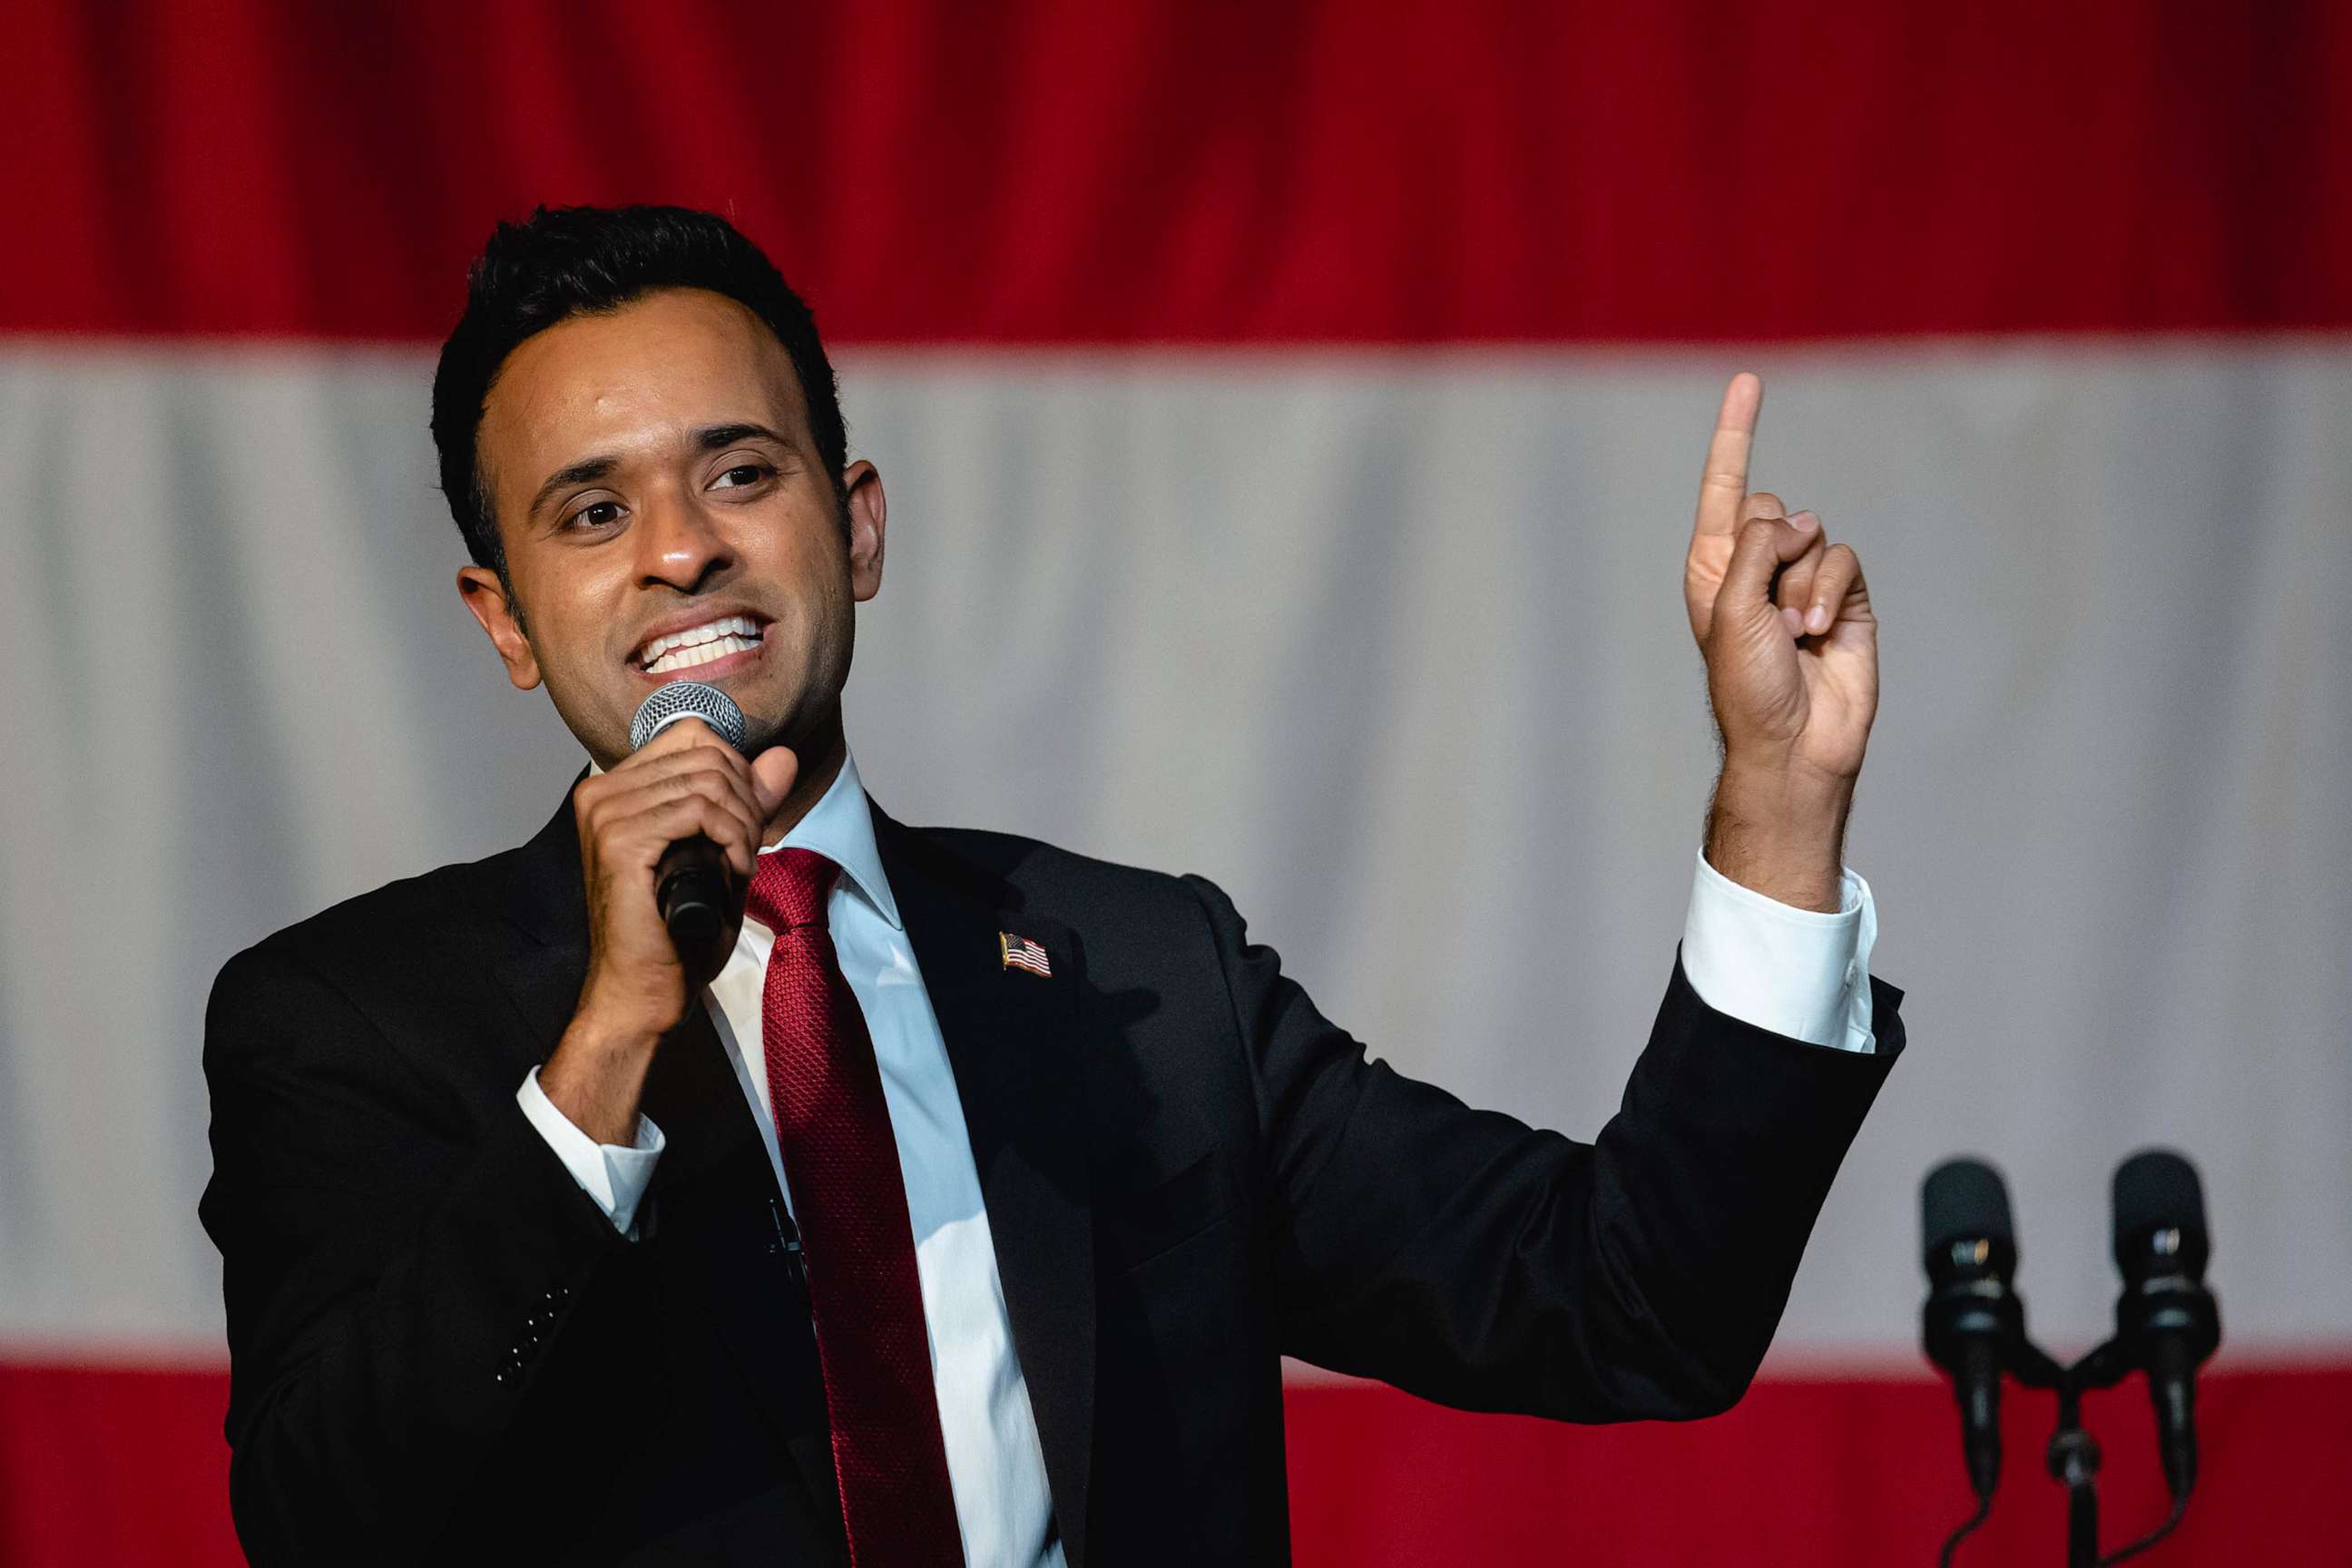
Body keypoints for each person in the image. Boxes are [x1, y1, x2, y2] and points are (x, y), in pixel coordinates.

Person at [200, 204, 1904, 1567]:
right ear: (502, 620)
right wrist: (607, 1047)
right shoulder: (345, 1023)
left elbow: (1630, 1305)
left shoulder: (1145, 980)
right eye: (590, 511)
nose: (681, 548)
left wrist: (1776, 797)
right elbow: (330, 1518)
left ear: (854, 527)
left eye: (739, 472)